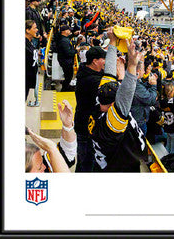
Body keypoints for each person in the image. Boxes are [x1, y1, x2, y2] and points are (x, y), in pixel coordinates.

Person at [89, 40, 148, 172]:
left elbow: (109, 73)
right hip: (119, 168)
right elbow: (125, 96)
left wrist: (113, 41)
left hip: (107, 161)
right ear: (113, 104)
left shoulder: (100, 100)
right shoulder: (111, 125)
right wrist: (132, 66)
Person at [73, 44, 114, 172]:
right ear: (95, 61)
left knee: (83, 161)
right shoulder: (91, 80)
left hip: (86, 124)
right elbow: (112, 90)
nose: (106, 62)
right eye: (103, 59)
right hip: (87, 127)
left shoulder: (87, 72)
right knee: (87, 162)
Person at [56, 25, 78, 91]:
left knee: (68, 76)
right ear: (64, 31)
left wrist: (74, 34)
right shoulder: (64, 41)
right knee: (68, 76)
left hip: (65, 61)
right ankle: (64, 89)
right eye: (68, 30)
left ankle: (66, 87)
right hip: (66, 62)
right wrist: (76, 51)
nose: (70, 31)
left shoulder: (64, 39)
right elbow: (68, 53)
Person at [25, 20, 40, 97]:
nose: (37, 30)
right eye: (34, 28)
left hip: (30, 79)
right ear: (27, 30)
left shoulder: (30, 42)